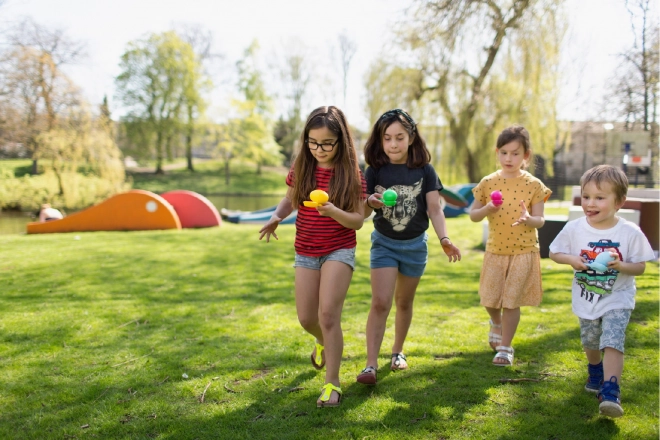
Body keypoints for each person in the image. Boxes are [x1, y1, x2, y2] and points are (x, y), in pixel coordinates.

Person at [258, 106, 367, 407]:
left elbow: (358, 220)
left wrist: (333, 211)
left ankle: (332, 383)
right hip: (305, 249)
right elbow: (290, 198)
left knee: (328, 315)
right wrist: (277, 216)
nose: (319, 149)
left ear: (341, 141)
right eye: (313, 142)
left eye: (326, 143)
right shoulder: (302, 166)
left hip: (339, 248)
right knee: (308, 319)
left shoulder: (352, 173)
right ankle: (321, 341)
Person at [356, 109, 461, 385]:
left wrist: (444, 239)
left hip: (415, 245)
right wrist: (370, 202)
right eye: (387, 138)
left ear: (411, 138)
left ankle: (398, 351)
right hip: (384, 244)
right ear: (380, 140)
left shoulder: (425, 170)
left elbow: (435, 209)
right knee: (380, 302)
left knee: (403, 301)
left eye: (399, 137)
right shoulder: (374, 170)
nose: (393, 144)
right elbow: (363, 213)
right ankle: (369, 365)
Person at [549, 165, 654, 418]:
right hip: (587, 299)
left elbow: (640, 267)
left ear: (619, 201)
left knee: (613, 340)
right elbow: (554, 252)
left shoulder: (629, 232)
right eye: (586, 197)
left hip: (618, 298)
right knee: (590, 341)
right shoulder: (575, 228)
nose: (590, 203)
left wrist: (622, 265)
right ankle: (595, 369)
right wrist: (572, 260)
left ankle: (610, 390)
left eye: (599, 197)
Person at [469, 125, 551, 367]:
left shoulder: (534, 184)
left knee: (511, 300)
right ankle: (496, 322)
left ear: (526, 155)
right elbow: (473, 215)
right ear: (497, 152)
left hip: (524, 250)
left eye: (515, 153)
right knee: (489, 299)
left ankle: (505, 347)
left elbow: (541, 220)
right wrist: (487, 209)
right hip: (495, 250)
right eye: (504, 152)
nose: (509, 158)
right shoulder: (488, 182)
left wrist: (529, 219)